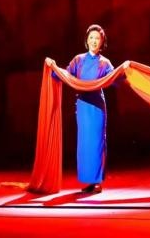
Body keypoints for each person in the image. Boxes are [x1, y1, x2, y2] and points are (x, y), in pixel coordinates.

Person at [45, 24, 116, 194]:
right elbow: (66, 75)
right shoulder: (78, 60)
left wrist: (125, 69)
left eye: (97, 38)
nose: (94, 41)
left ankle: (97, 181)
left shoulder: (105, 63)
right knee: (85, 144)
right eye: (91, 38)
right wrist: (53, 67)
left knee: (97, 143)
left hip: (97, 107)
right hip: (83, 106)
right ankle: (89, 181)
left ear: (102, 42)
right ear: (87, 40)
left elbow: (114, 78)